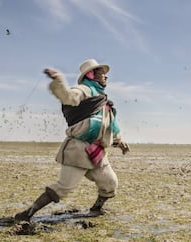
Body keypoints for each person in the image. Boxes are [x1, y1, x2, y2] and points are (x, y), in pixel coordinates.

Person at [14, 58, 130, 221]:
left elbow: (110, 124)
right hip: (78, 150)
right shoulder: (84, 90)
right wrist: (59, 80)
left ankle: (96, 209)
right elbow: (68, 96)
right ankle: (28, 213)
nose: (106, 78)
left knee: (110, 183)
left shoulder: (104, 101)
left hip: (97, 151)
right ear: (91, 75)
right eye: (103, 74)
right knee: (63, 188)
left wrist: (120, 142)